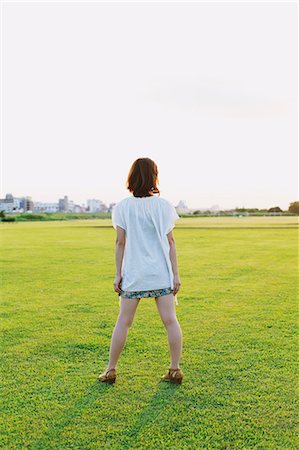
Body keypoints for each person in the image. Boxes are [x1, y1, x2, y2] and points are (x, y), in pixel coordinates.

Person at [98, 157, 183, 384]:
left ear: (132, 176)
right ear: (154, 176)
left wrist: (118, 274)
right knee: (170, 321)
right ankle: (174, 369)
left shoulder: (123, 207)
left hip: (135, 275)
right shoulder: (164, 205)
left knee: (123, 322)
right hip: (160, 274)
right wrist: (175, 275)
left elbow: (120, 243)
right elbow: (171, 242)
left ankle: (110, 370)